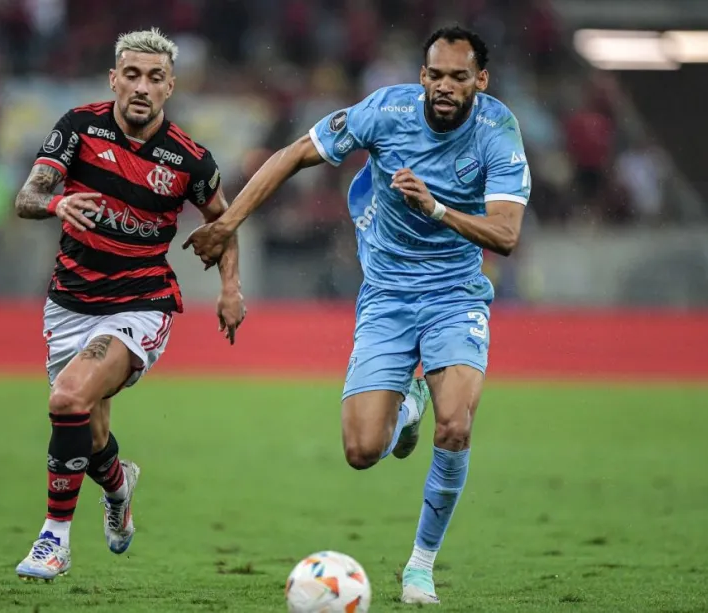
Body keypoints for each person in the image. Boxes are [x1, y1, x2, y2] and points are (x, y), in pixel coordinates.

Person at [184, 26, 529, 604]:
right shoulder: (386, 112)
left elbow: (507, 234)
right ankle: (407, 408)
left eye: (459, 78)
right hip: (388, 296)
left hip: (456, 295)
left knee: (458, 424)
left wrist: (436, 207)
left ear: (481, 81)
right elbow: (295, 154)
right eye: (436, 75)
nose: (445, 87)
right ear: (423, 76)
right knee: (362, 451)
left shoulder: (498, 131)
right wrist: (227, 223)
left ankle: (420, 565)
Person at [12, 28, 246, 581]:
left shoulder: (188, 159)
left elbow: (225, 222)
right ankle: (118, 488)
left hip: (141, 301)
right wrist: (58, 203)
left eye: (155, 77)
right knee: (87, 432)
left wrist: (230, 290)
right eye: (132, 75)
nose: (142, 87)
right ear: (113, 78)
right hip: (70, 302)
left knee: (68, 397)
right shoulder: (77, 127)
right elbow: (28, 196)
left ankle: (54, 540)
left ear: (171, 88)